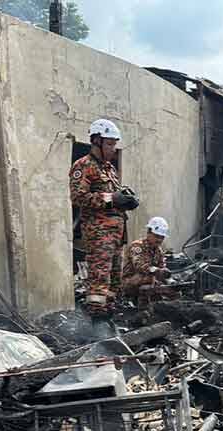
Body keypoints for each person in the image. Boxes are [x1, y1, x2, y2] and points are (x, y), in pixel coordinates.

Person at [70, 119, 140, 321]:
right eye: (109, 144)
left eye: (114, 144)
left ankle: (108, 318)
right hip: (99, 234)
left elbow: (114, 197)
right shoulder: (84, 165)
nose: (113, 149)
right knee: (99, 279)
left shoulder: (109, 169)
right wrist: (111, 199)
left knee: (114, 280)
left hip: (117, 234)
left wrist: (126, 200)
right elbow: (78, 197)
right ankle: (96, 324)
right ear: (96, 141)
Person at [120, 217, 172, 304]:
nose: (159, 240)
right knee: (148, 278)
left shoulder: (159, 251)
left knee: (171, 289)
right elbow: (140, 266)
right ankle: (138, 303)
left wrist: (169, 280)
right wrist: (157, 271)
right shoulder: (137, 246)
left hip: (148, 282)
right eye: (157, 236)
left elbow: (162, 268)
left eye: (162, 237)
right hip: (130, 282)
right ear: (149, 233)